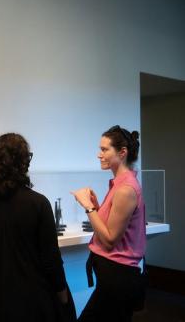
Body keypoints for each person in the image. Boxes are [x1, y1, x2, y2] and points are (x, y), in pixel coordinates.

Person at [0, 133, 76, 322]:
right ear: (21, 163)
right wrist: (63, 296)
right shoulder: (38, 203)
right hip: (31, 305)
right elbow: (52, 261)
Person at [72, 125, 147, 322]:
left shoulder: (125, 189)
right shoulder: (120, 184)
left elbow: (110, 239)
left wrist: (88, 206)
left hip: (118, 276)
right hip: (113, 276)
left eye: (104, 149)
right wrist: (97, 208)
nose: (99, 155)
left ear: (122, 153)